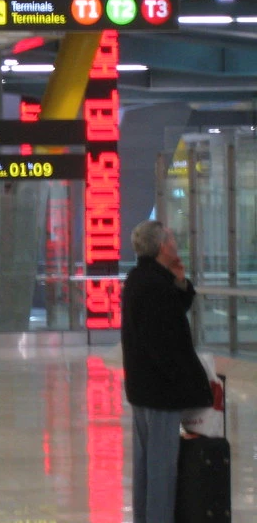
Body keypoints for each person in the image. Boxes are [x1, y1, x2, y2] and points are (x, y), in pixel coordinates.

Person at [122, 220, 213, 523]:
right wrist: (186, 380)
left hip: (142, 389)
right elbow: (164, 342)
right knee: (162, 469)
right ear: (162, 246)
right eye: (172, 238)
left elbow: (174, 310)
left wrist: (180, 281)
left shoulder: (143, 279)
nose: (176, 243)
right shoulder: (152, 286)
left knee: (146, 465)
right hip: (159, 393)